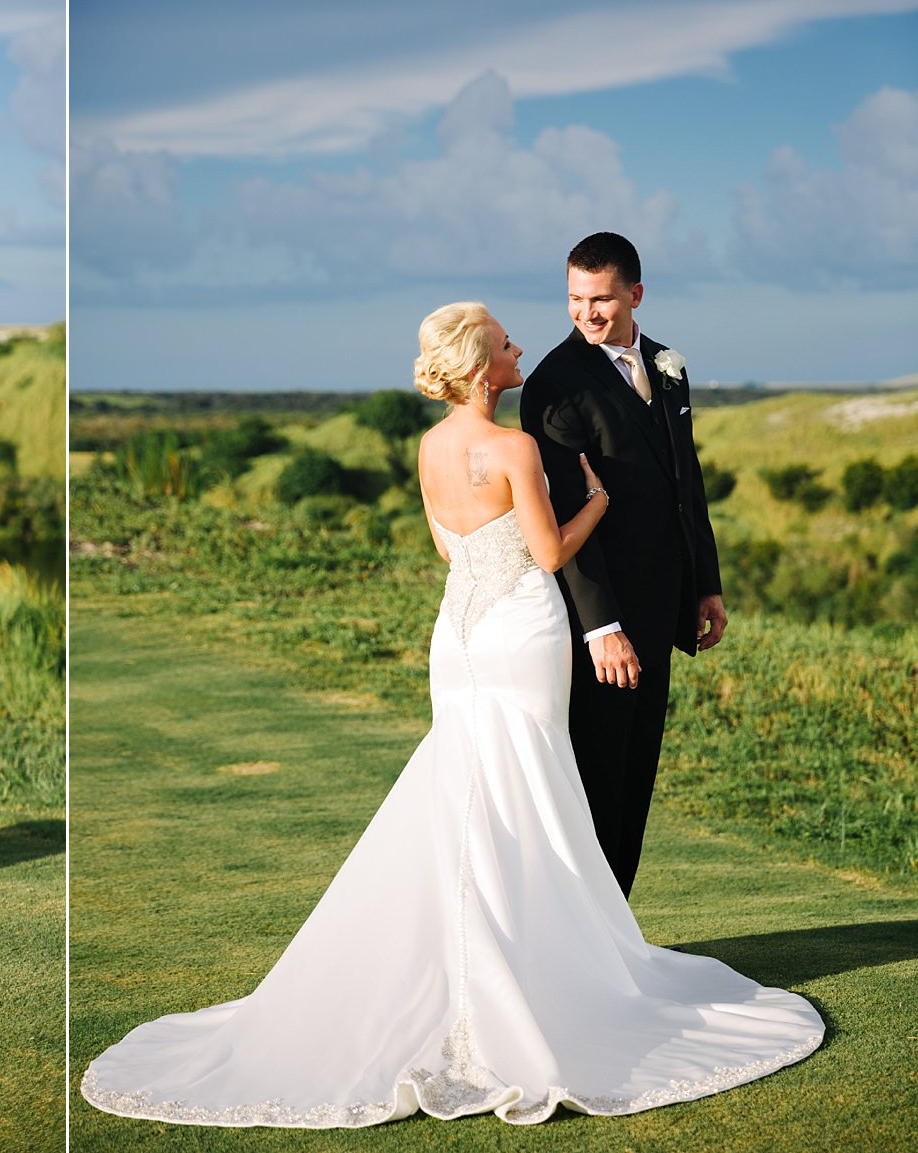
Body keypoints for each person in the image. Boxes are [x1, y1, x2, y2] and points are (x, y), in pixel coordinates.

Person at [79, 304, 820, 1127]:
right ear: (478, 368)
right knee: (528, 790)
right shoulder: (514, 447)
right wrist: (601, 500)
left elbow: (448, 547)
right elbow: (547, 552)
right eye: (505, 344)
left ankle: (480, 966)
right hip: (523, 630)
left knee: (468, 789)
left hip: (459, 632)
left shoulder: (430, 447)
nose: (519, 351)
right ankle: (530, 972)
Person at [519, 232, 723, 898]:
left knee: (637, 777)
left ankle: (616, 936)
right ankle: (583, 940)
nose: (588, 313)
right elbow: (564, 516)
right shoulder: (553, 384)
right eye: (576, 298)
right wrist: (600, 624)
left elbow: (683, 484)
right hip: (599, 621)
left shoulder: (668, 364)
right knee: (597, 778)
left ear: (634, 294)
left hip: (665, 600)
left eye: (602, 298)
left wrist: (705, 587)